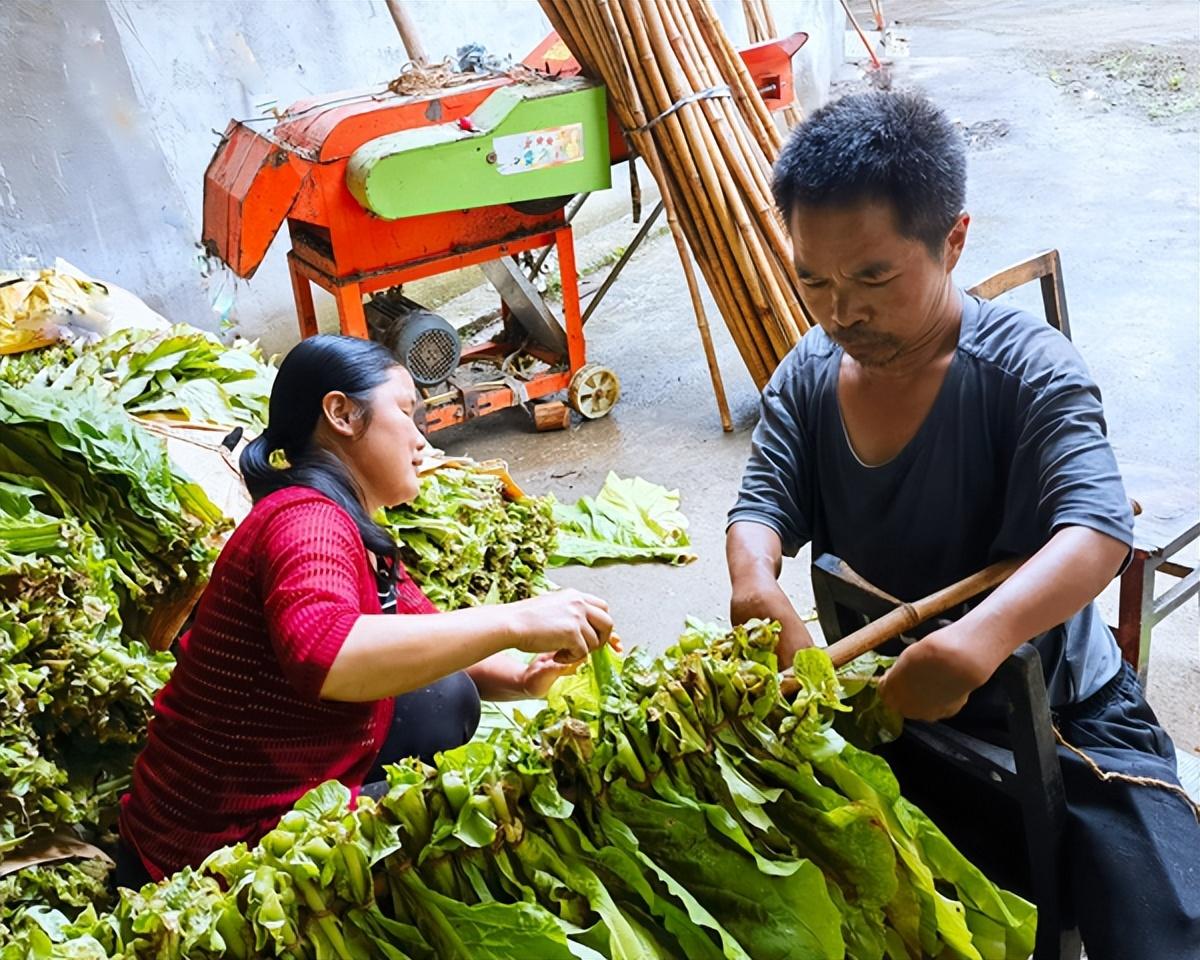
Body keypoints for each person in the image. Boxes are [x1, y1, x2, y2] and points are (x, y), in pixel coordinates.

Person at [726, 90, 1199, 958]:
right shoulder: (808, 372)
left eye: (872, 277)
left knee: (1168, 932)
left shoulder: (1026, 369)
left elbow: (1098, 529)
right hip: (889, 715)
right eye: (814, 281)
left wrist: (977, 642)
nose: (842, 312)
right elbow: (761, 505)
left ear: (953, 240)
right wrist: (756, 581)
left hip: (1068, 722)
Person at [117, 335, 617, 887]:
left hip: (268, 798)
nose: (420, 440)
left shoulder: (354, 531)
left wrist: (525, 675)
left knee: (446, 696)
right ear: (342, 414)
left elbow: (430, 641)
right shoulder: (303, 519)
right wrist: (514, 619)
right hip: (206, 849)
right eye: (405, 412)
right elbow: (324, 654)